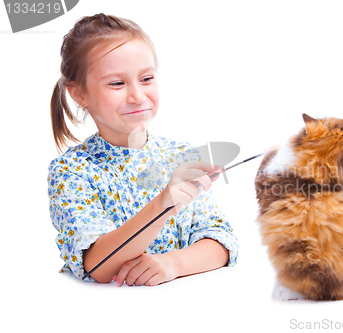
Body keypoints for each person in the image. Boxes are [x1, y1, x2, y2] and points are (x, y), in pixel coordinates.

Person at [48, 13, 238, 287]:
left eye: (146, 78)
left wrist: (173, 263)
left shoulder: (181, 155)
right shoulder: (72, 171)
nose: (137, 96)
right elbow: (97, 265)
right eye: (117, 83)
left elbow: (222, 242)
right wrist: (162, 206)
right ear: (79, 94)